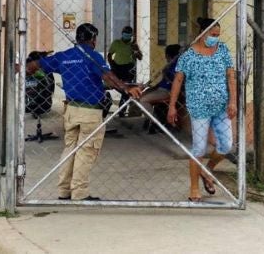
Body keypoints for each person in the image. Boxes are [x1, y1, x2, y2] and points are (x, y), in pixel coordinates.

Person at [26, 22, 142, 201]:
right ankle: (79, 192)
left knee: (70, 150)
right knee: (86, 151)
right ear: (93, 39)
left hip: (71, 109)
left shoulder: (64, 56)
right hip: (90, 111)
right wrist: (126, 88)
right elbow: (108, 77)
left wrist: (23, 70)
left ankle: (64, 191)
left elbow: (34, 65)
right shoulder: (92, 56)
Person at [168, 18, 236, 202]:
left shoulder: (222, 50)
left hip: (221, 107)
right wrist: (172, 106)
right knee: (199, 147)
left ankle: (208, 169)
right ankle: (194, 188)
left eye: (217, 35)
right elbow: (178, 80)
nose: (215, 38)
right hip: (199, 109)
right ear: (202, 34)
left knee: (226, 145)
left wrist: (232, 101)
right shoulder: (188, 56)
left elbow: (230, 76)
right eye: (213, 35)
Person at [140, 44, 181, 134]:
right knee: (141, 95)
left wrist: (165, 74)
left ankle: (155, 122)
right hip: (161, 89)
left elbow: (174, 82)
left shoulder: (176, 65)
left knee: (143, 100)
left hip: (168, 91)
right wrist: (152, 87)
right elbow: (162, 82)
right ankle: (150, 119)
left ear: (168, 55)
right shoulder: (170, 65)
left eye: (165, 54)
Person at [107, 26, 143, 111]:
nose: (126, 35)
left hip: (128, 68)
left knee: (127, 88)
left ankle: (122, 109)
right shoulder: (116, 43)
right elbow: (109, 55)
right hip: (116, 67)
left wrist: (136, 50)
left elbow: (140, 57)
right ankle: (125, 94)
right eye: (125, 33)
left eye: (128, 33)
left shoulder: (133, 45)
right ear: (122, 33)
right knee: (113, 84)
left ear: (131, 35)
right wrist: (112, 65)